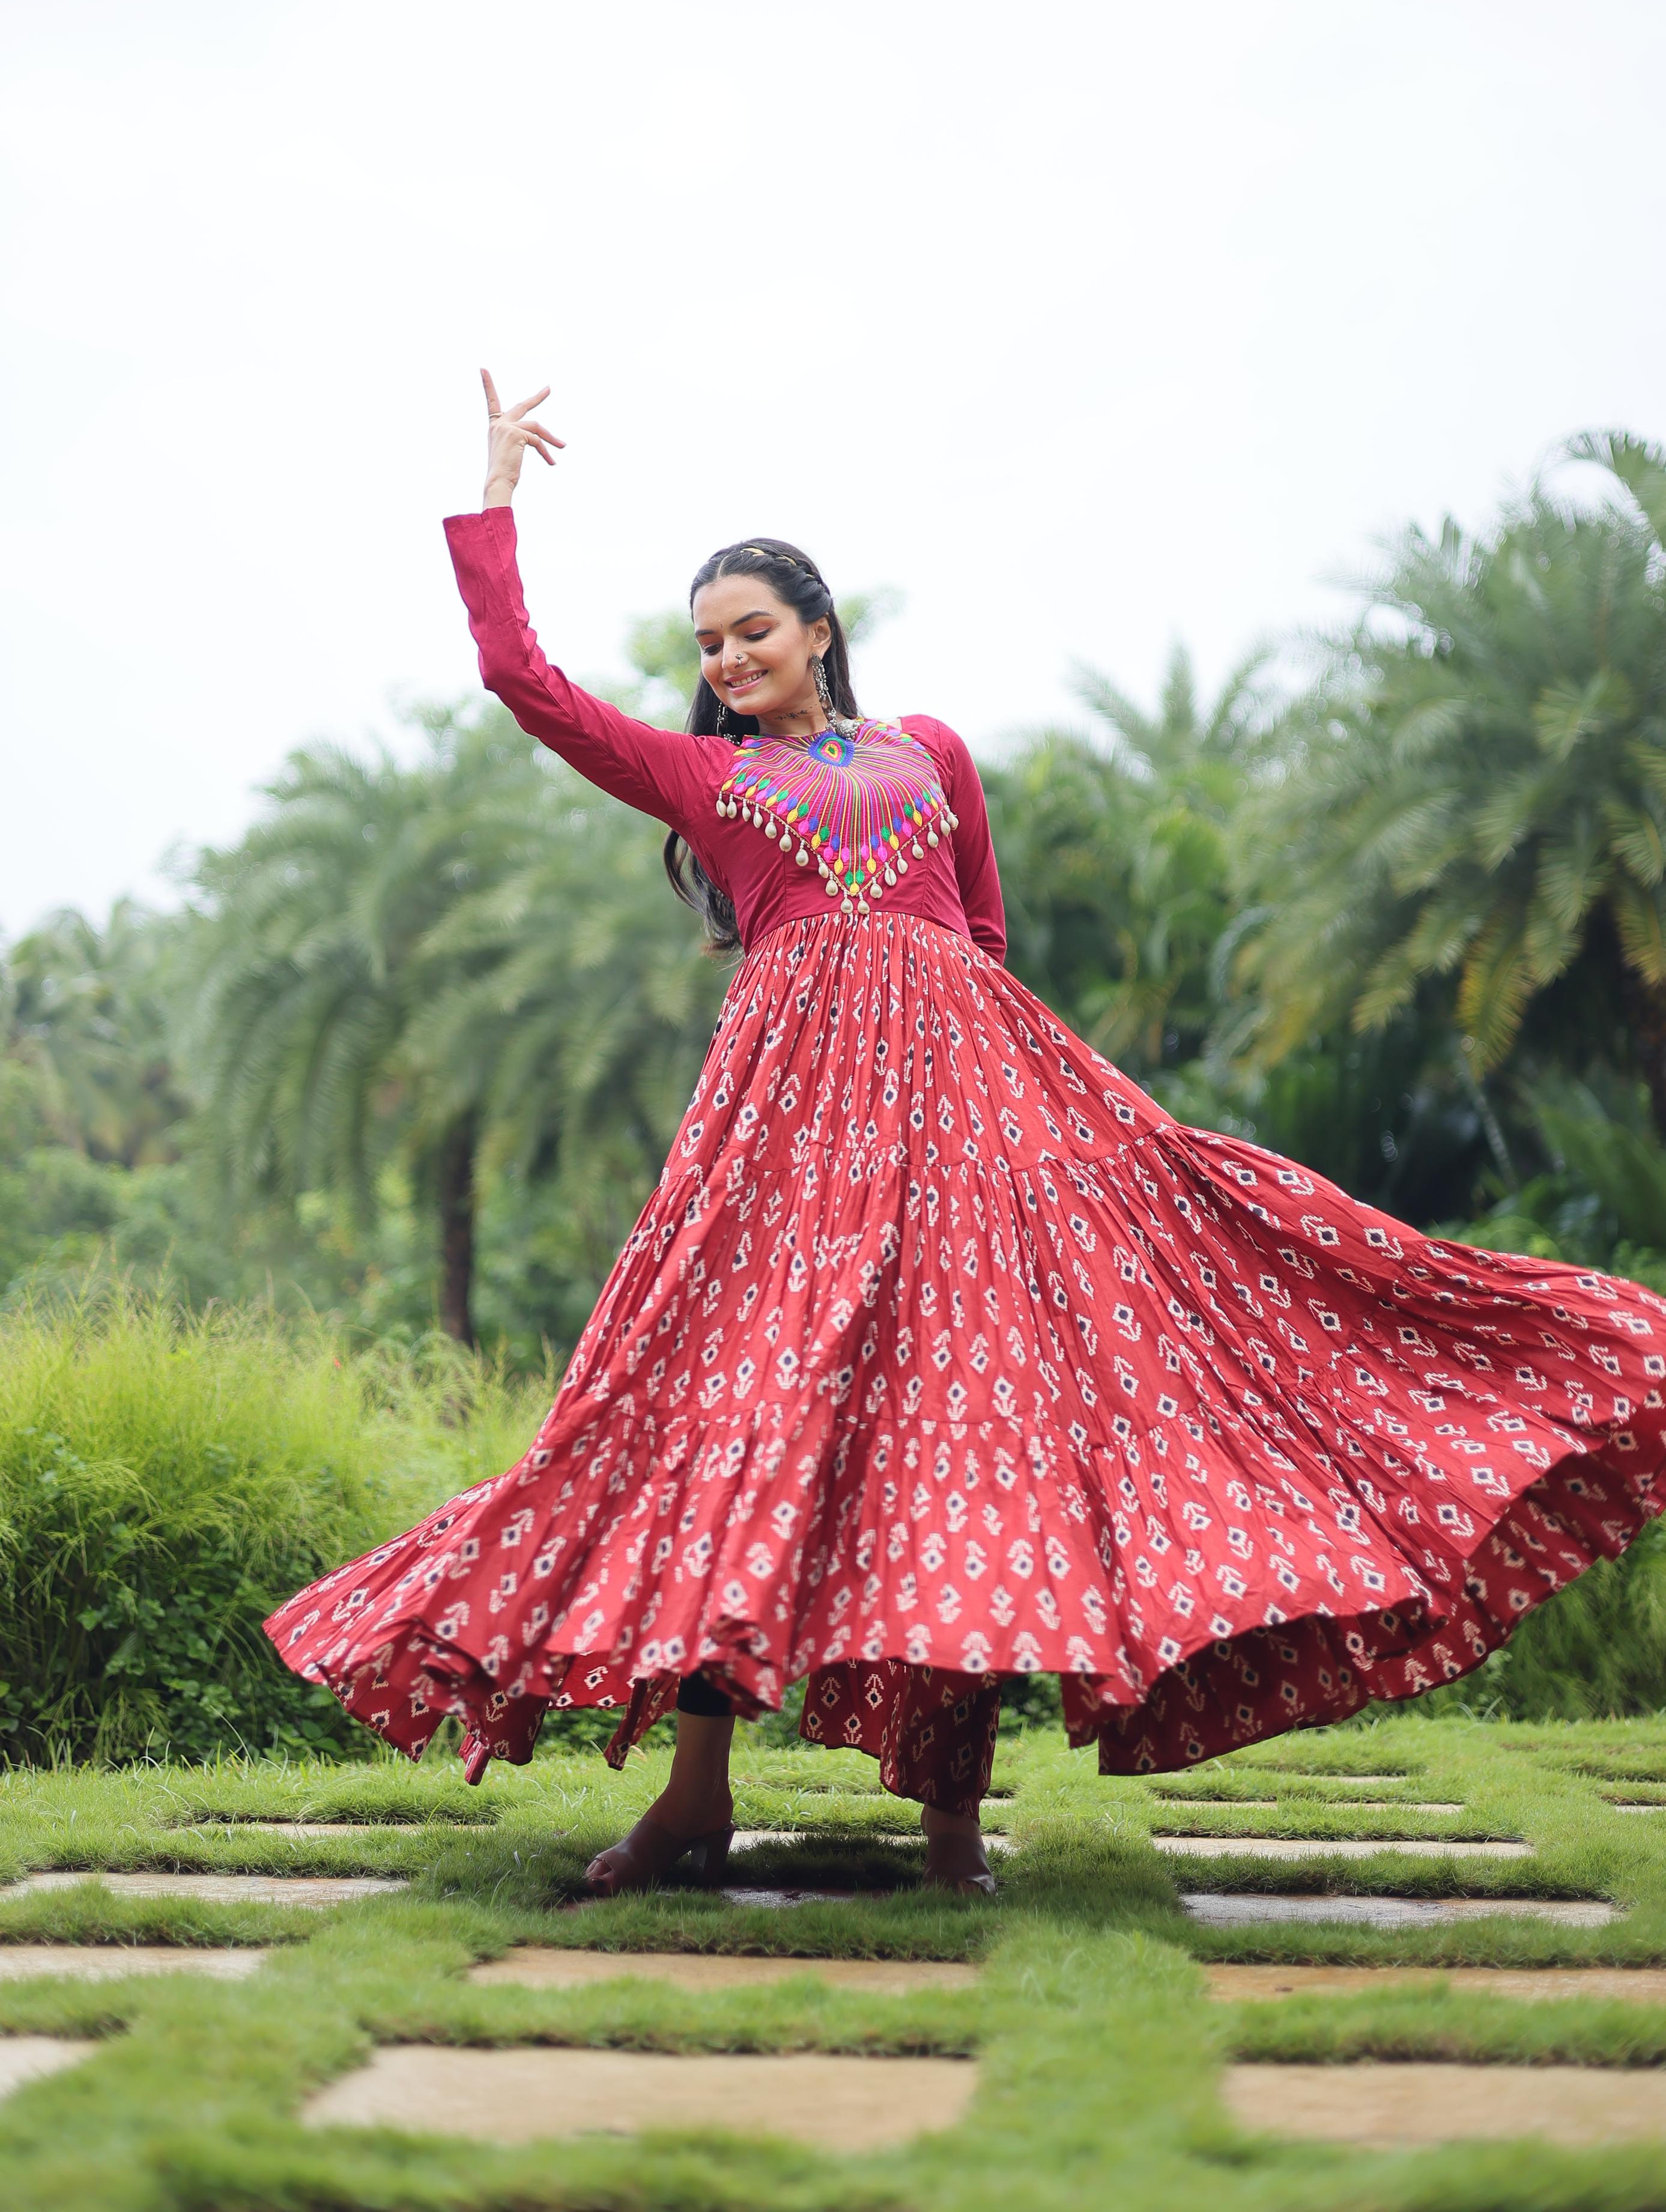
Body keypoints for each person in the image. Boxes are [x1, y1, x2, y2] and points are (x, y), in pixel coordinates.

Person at [266, 372, 1666, 1898]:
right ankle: (695, 1797)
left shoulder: (930, 749)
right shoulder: (707, 778)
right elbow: (524, 681)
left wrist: (1003, 1117)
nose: (728, 658)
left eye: (752, 628)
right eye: (707, 643)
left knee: (967, 1444)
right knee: (734, 1426)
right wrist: (493, 498)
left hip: (972, 1134)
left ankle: (950, 1823)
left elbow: (980, 930)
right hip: (787, 1155)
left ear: (817, 630)